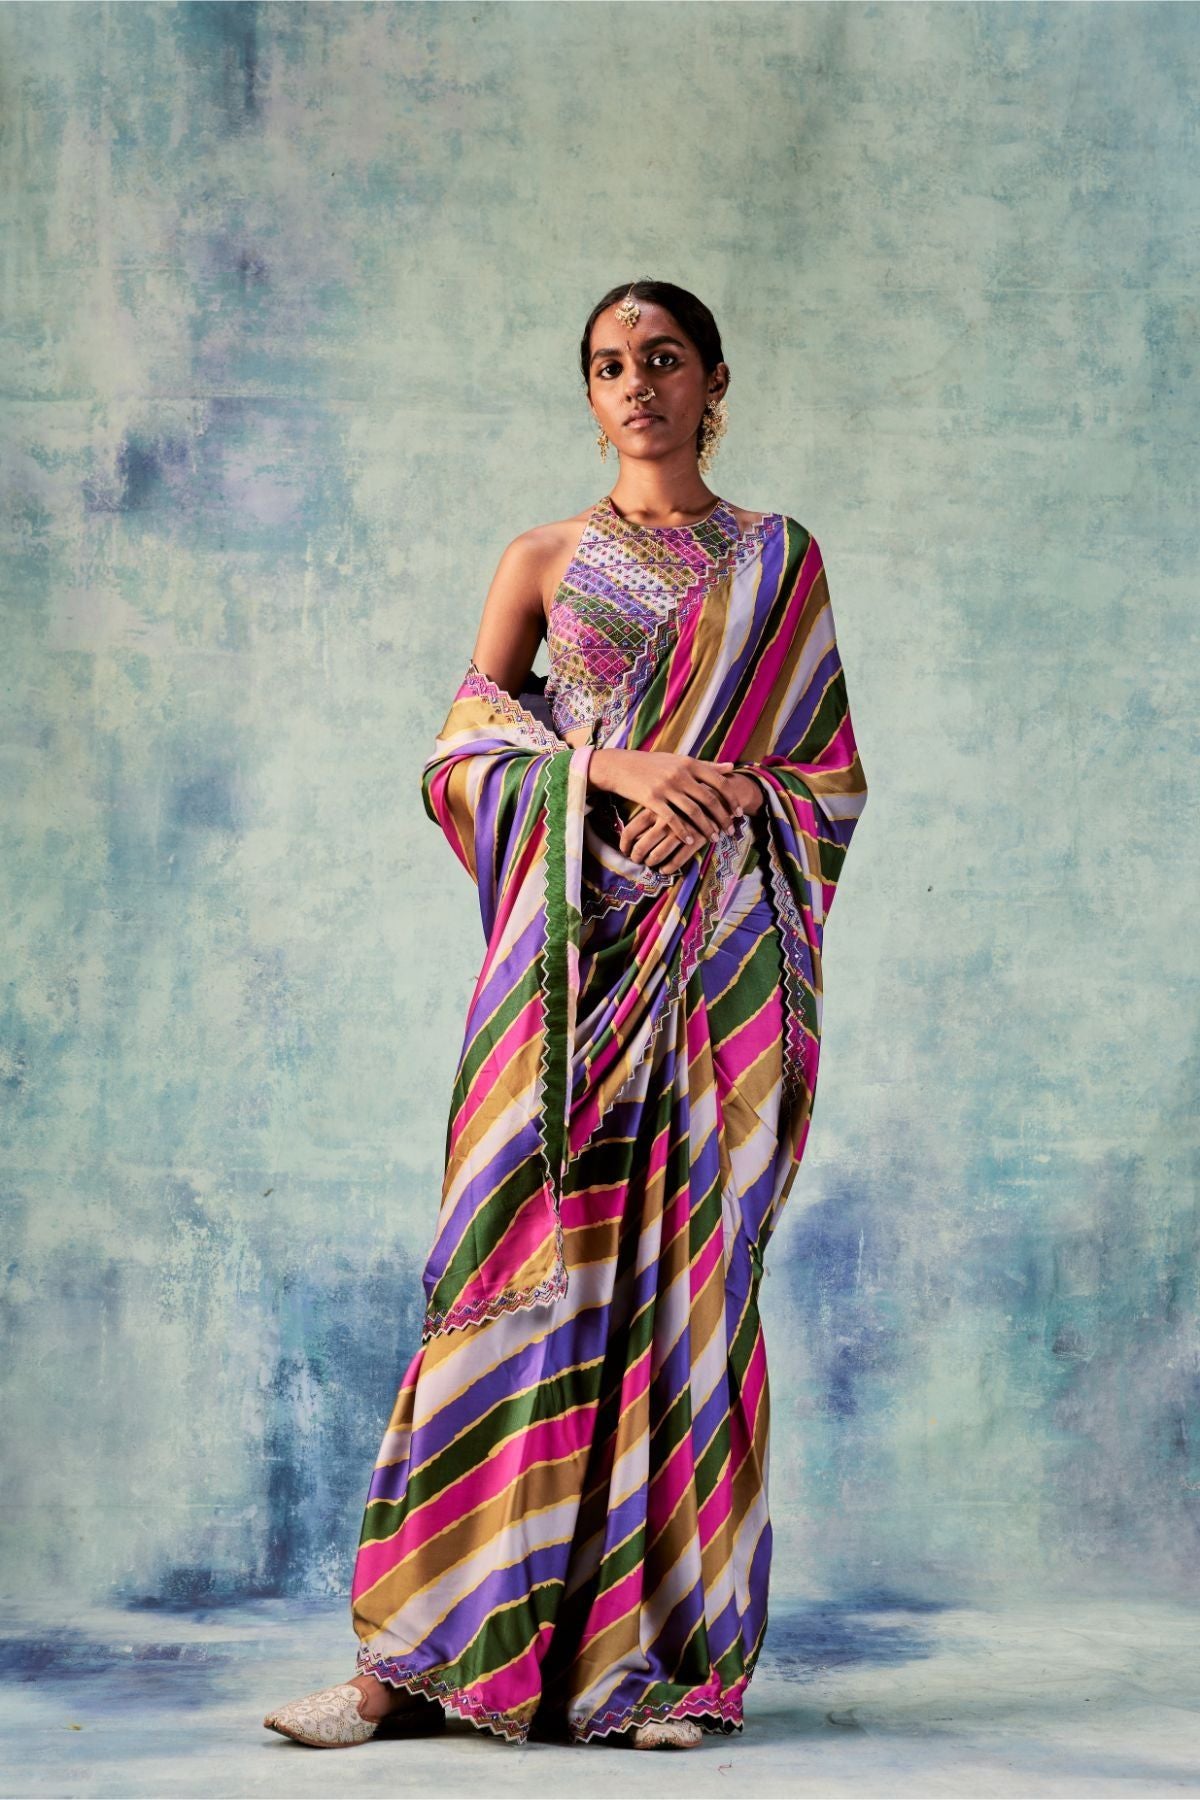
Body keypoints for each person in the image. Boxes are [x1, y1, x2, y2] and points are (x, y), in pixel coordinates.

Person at [263, 279, 868, 1753]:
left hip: (708, 972)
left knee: (675, 1294)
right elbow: (464, 755)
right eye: (609, 365)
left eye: (663, 358)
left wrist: (732, 798)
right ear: (589, 396)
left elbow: (827, 778)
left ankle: (643, 1668)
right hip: (562, 974)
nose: (637, 383)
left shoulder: (782, 560)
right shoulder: (540, 558)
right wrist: (611, 770)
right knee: (501, 1264)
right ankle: (405, 1667)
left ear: (713, 381)